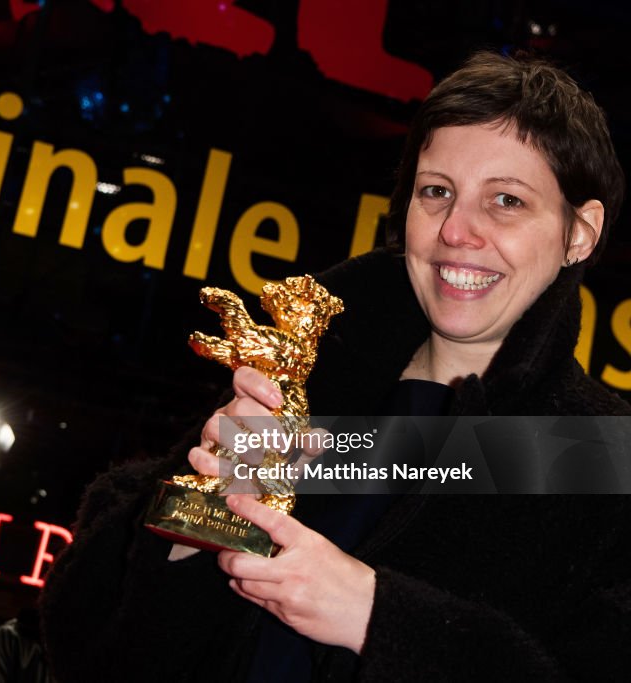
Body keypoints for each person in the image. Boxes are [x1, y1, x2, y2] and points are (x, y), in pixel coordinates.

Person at [40, 51, 631, 681]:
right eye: (437, 192)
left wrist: (379, 616)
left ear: (580, 232)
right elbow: (90, 640)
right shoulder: (310, 380)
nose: (457, 230)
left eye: (506, 200)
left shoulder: (599, 452)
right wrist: (195, 529)